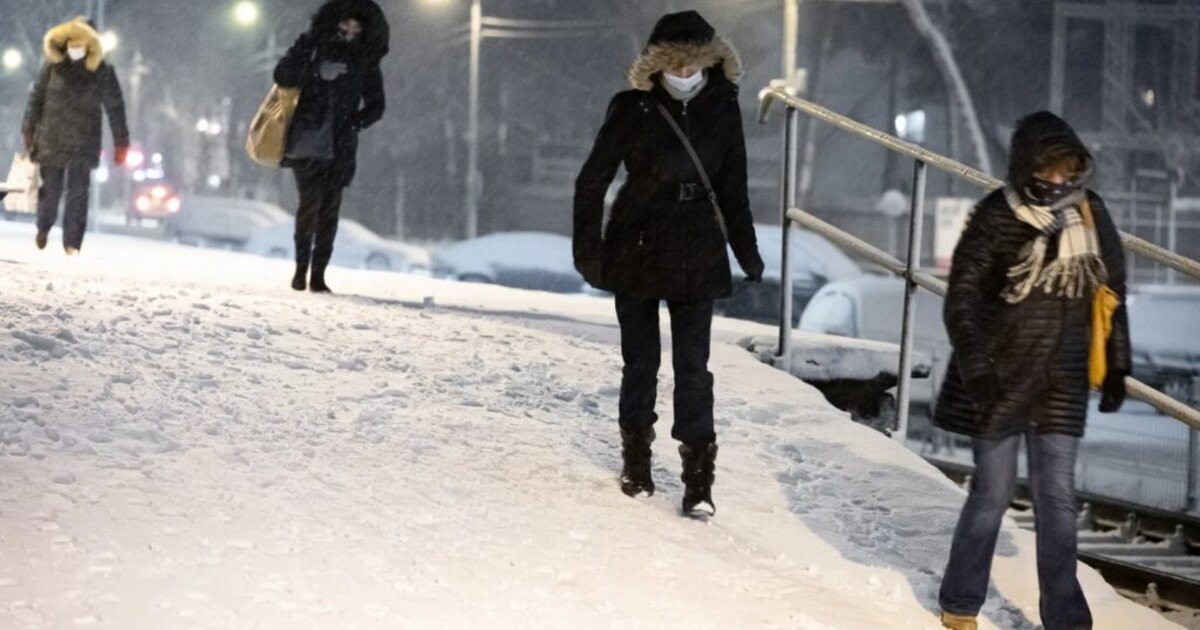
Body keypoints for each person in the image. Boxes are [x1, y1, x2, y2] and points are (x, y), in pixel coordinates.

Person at [934, 112, 1131, 630]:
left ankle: (1066, 618)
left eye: (1068, 170)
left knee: (1057, 501)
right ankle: (960, 601)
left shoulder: (1090, 213)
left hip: (1062, 378)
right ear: (1026, 168)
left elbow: (1111, 294)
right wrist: (978, 370)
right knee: (992, 494)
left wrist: (1117, 364)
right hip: (1000, 378)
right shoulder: (996, 214)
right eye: (1048, 170)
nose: (1058, 181)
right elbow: (962, 299)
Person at [573, 11, 764, 517]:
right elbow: (592, 180)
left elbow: (734, 187)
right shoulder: (632, 107)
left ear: (710, 61)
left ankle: (698, 480)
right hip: (637, 241)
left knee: (693, 367)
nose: (683, 73)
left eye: (692, 63)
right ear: (655, 64)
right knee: (641, 362)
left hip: (698, 245)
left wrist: (747, 251)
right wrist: (588, 250)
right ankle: (636, 461)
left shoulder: (722, 108)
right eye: (673, 64)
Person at [274, 0, 388, 293]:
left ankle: (319, 276)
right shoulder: (311, 44)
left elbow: (377, 105)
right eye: (346, 22)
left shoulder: (365, 59)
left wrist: (354, 124)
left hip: (341, 145)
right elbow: (282, 74)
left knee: (330, 209)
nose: (350, 29)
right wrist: (316, 70)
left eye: (357, 26)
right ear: (334, 21)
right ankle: (300, 271)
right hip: (309, 138)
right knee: (309, 203)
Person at [23, 17, 129, 255]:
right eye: (71, 41)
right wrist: (28, 128)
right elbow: (36, 98)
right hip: (52, 139)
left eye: (80, 41)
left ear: (91, 43)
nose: (75, 46)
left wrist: (121, 142)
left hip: (84, 141)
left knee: (78, 194)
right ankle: (43, 227)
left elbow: (115, 107)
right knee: (50, 192)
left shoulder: (102, 71)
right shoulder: (52, 67)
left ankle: (72, 242)